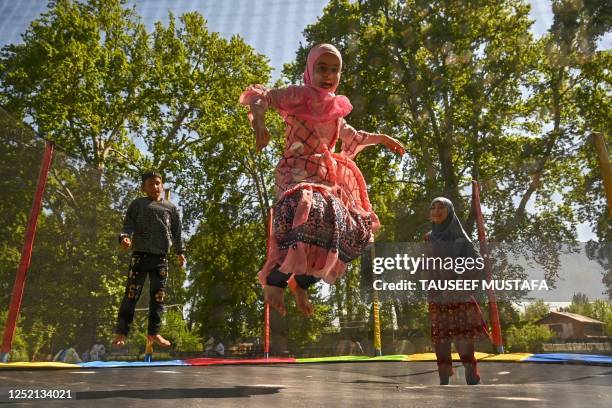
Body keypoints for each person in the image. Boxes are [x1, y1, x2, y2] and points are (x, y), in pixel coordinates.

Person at [239, 43, 405, 317]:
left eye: (335, 70)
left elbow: (356, 136)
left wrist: (383, 139)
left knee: (348, 229)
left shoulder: (335, 110)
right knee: (305, 207)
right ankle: (275, 280)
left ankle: (303, 283)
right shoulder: (297, 95)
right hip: (295, 174)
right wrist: (259, 123)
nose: (328, 75)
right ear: (310, 70)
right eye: (322, 69)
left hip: (324, 178)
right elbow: (260, 97)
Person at [112, 171, 186, 348]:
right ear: (143, 187)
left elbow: (176, 232)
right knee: (131, 294)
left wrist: (180, 251)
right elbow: (127, 225)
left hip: (161, 258)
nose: (155, 187)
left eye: (158, 183)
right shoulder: (138, 204)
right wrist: (125, 238)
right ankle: (121, 332)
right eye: (151, 184)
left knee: (158, 297)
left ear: (162, 185)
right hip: (140, 256)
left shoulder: (170, 207)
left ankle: (154, 332)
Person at [424, 197, 490, 385]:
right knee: (441, 338)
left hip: (458, 294)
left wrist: (460, 279)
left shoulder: (460, 237)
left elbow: (477, 263)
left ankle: (471, 373)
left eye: (441, 207)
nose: (436, 211)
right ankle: (444, 377)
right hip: (437, 295)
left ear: (450, 211)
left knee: (463, 337)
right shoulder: (428, 237)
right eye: (433, 207)